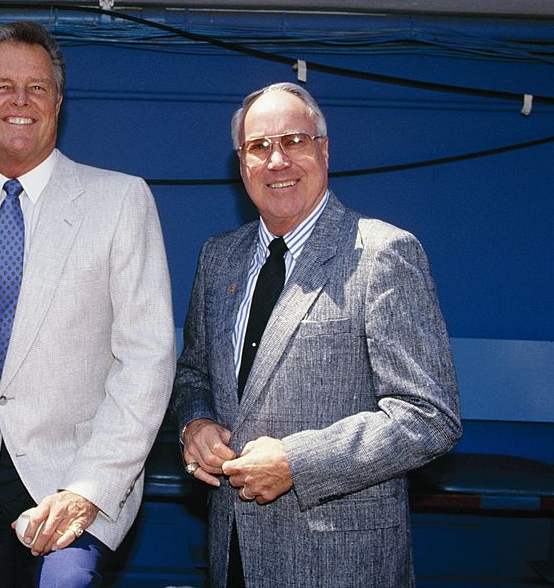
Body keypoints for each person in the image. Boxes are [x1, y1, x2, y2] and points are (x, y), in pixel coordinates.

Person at [173, 82, 462, 587]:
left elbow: (428, 417)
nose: (277, 160)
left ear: (323, 150)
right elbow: (194, 371)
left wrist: (296, 463)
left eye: (294, 141)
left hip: (340, 564)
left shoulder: (382, 254)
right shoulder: (218, 258)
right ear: (241, 164)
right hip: (232, 552)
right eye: (258, 147)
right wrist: (194, 426)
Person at [0, 21, 177, 587]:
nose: (19, 101)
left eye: (36, 87)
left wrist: (89, 489)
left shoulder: (120, 200)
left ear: (58, 102)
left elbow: (147, 359)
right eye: (1, 86)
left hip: (76, 483)